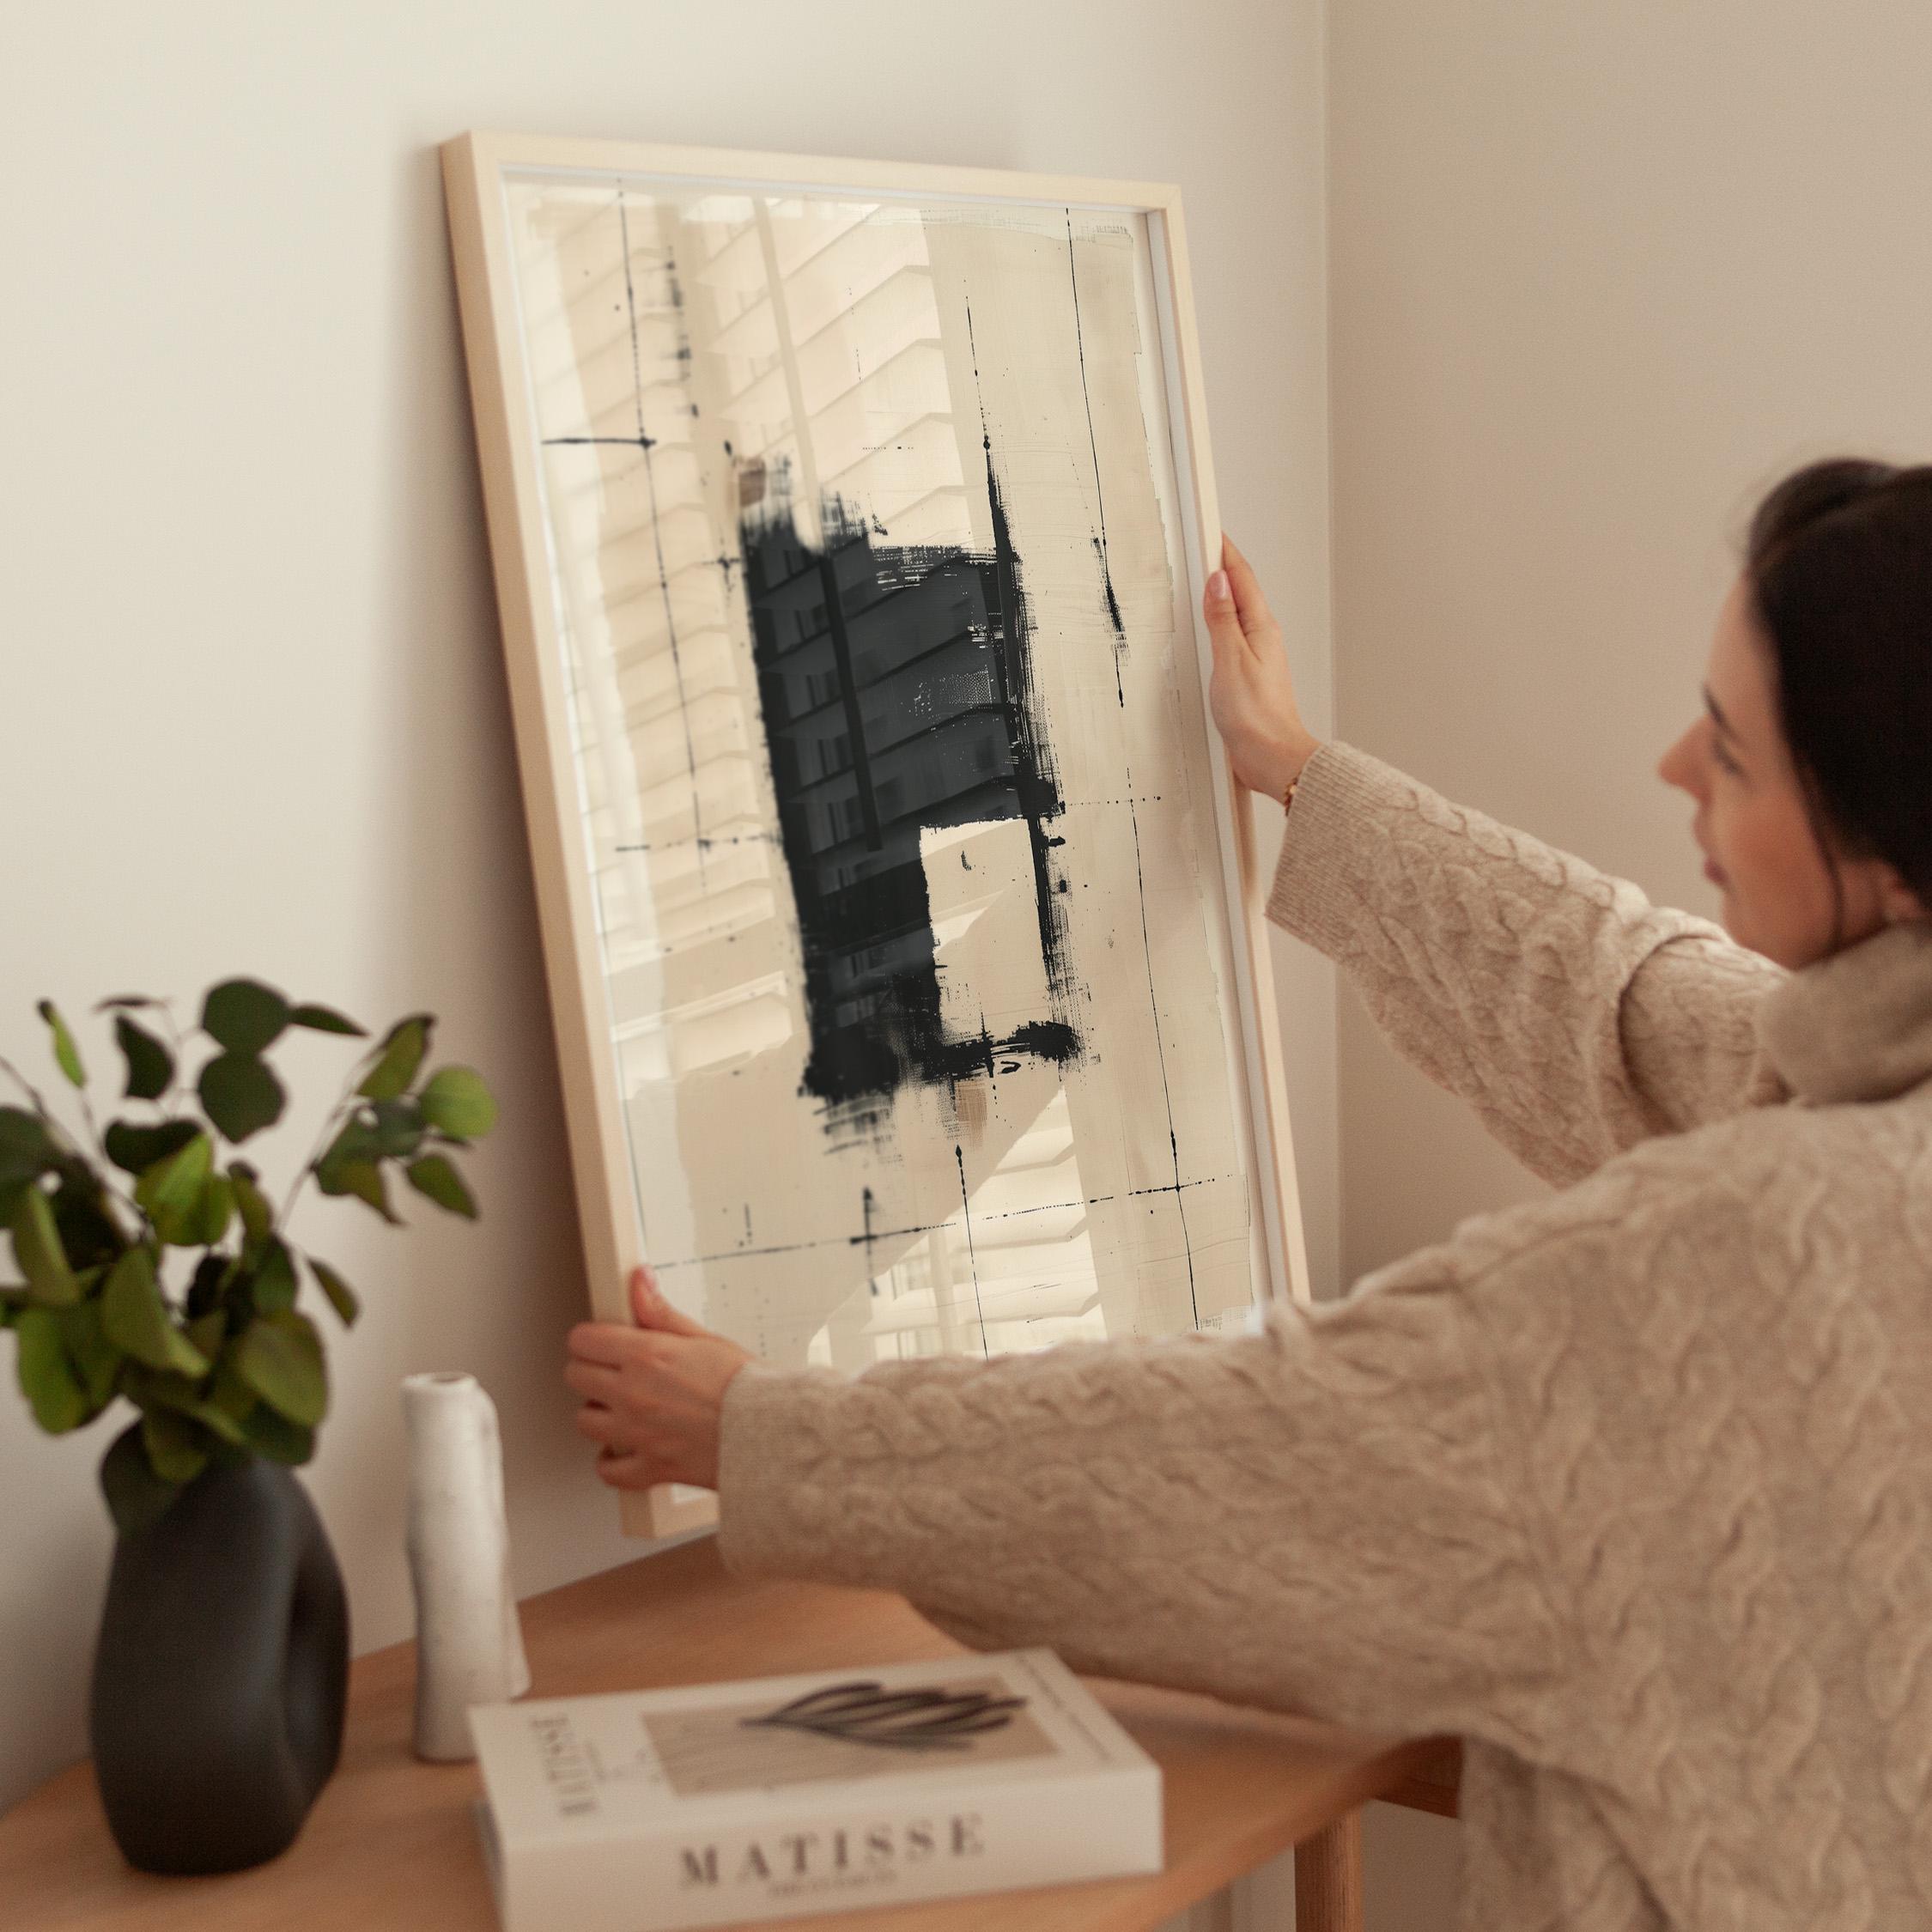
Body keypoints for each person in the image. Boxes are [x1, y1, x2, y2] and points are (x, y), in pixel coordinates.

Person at [564, 459, 1932, 1930]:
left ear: (1893, 856)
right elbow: (1628, 1008)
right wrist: (1294, 770)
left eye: (1731, 751)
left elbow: (1241, 1454)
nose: (1673, 766)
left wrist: (761, 1434)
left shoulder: (1726, 1270)